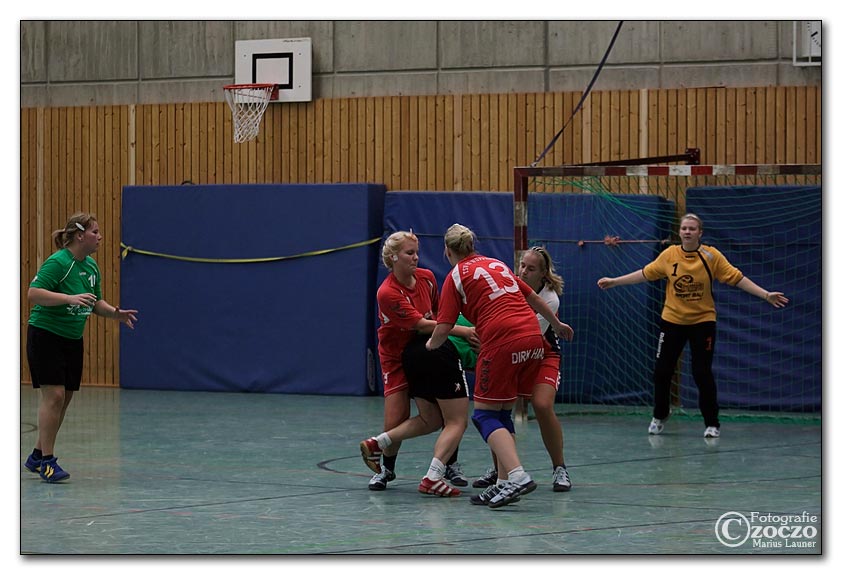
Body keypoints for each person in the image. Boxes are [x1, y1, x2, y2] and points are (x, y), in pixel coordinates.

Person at [597, 213, 789, 439]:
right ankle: (660, 415)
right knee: (662, 372)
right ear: (679, 232)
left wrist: (765, 295)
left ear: (700, 233)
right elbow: (645, 274)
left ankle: (712, 423)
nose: (687, 232)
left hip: (702, 322)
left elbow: (737, 278)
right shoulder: (669, 255)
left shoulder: (711, 256)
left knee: (701, 372)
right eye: (684, 228)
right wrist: (615, 281)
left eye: (692, 228)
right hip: (672, 321)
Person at [426, 224, 574, 509]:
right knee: (502, 412)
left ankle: (517, 475)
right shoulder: (496, 263)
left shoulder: (456, 276)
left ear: (447, 251)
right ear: (472, 246)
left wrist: (430, 345)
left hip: (503, 342)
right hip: (532, 339)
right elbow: (532, 297)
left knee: (484, 415)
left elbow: (443, 327)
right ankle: (504, 482)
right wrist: (556, 324)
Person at [24, 213, 138, 482]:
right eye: (94, 232)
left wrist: (115, 314)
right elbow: (33, 293)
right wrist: (68, 298)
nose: (100, 237)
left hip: (72, 339)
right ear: (79, 235)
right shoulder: (59, 262)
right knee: (54, 397)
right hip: (46, 335)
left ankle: (37, 455)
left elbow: (95, 302)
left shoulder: (91, 267)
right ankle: (48, 463)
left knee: (64, 399)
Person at [362, 230, 476, 491]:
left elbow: (438, 314)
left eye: (416, 252)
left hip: (425, 351)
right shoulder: (387, 292)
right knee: (397, 416)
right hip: (396, 357)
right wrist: (464, 331)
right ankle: (386, 469)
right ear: (393, 257)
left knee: (447, 408)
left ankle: (449, 464)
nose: (415, 258)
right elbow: (422, 324)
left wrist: (452, 338)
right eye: (409, 253)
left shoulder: (427, 278)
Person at [472, 246, 572, 492]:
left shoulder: (550, 298)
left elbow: (526, 333)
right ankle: (501, 470)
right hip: (511, 351)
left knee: (542, 404)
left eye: (531, 268)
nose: (524, 271)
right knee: (498, 407)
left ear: (543, 274)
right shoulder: (507, 285)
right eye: (522, 265)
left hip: (542, 353)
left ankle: (559, 467)